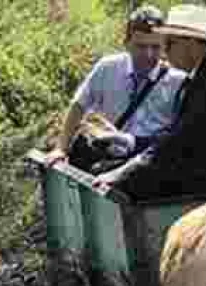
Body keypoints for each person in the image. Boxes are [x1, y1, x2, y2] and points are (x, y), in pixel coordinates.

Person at [91, 4, 206, 202]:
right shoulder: (203, 75)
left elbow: (179, 143)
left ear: (190, 44)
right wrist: (130, 142)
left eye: (168, 44)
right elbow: (176, 137)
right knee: (102, 167)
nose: (163, 53)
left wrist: (123, 173)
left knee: (117, 183)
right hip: (189, 170)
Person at [45, 5, 188, 171]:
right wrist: (61, 148)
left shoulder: (177, 81)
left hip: (144, 164)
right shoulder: (109, 67)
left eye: (155, 47)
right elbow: (79, 105)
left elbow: (177, 134)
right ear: (126, 43)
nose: (148, 54)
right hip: (103, 155)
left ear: (164, 46)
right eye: (141, 46)